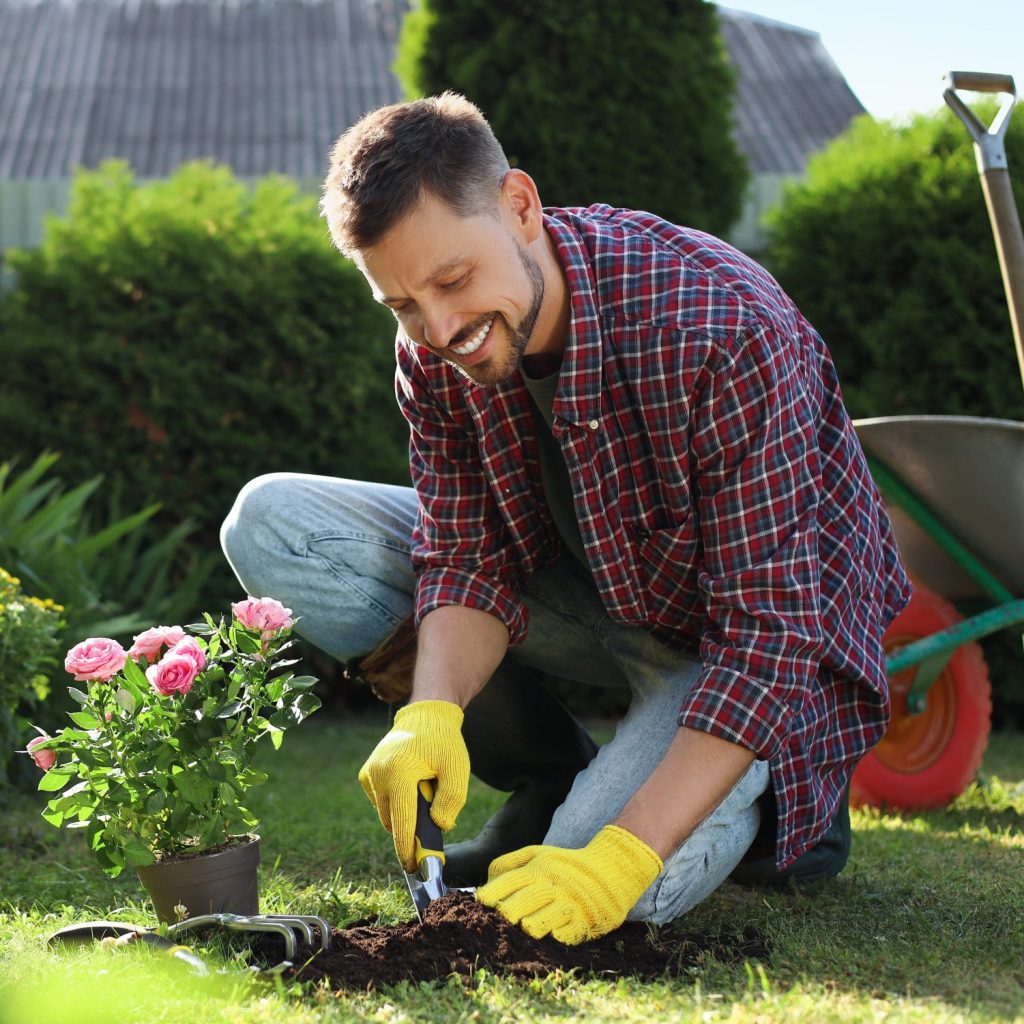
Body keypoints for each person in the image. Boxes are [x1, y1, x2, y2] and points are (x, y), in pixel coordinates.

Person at [221, 93, 911, 945]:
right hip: (596, 592)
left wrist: (621, 856)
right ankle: (552, 780)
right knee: (271, 524)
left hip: (741, 645)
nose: (439, 330)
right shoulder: (435, 348)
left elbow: (772, 636)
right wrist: (429, 712)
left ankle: (778, 804)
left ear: (519, 205)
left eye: (451, 280)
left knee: (610, 890)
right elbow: (468, 555)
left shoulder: (715, 328)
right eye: (401, 305)